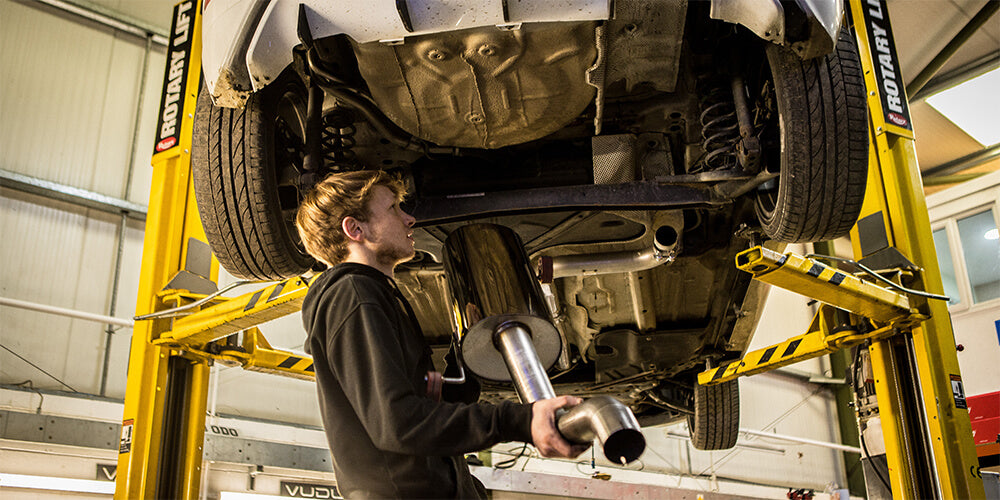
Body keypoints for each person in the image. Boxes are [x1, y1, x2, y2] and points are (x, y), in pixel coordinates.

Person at [296, 170, 587, 499]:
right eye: (393, 208)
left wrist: (464, 353)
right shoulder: (354, 293)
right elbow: (398, 424)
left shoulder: (375, 294)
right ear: (355, 228)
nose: (409, 219)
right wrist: (518, 420)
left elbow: (426, 409)